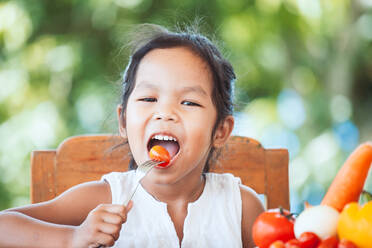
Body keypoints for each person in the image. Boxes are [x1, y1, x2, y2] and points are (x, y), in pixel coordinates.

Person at [0, 24, 264, 247]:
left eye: (189, 102)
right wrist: (72, 237)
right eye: (149, 98)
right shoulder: (104, 197)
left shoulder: (241, 206)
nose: (165, 113)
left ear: (220, 131)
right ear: (123, 121)